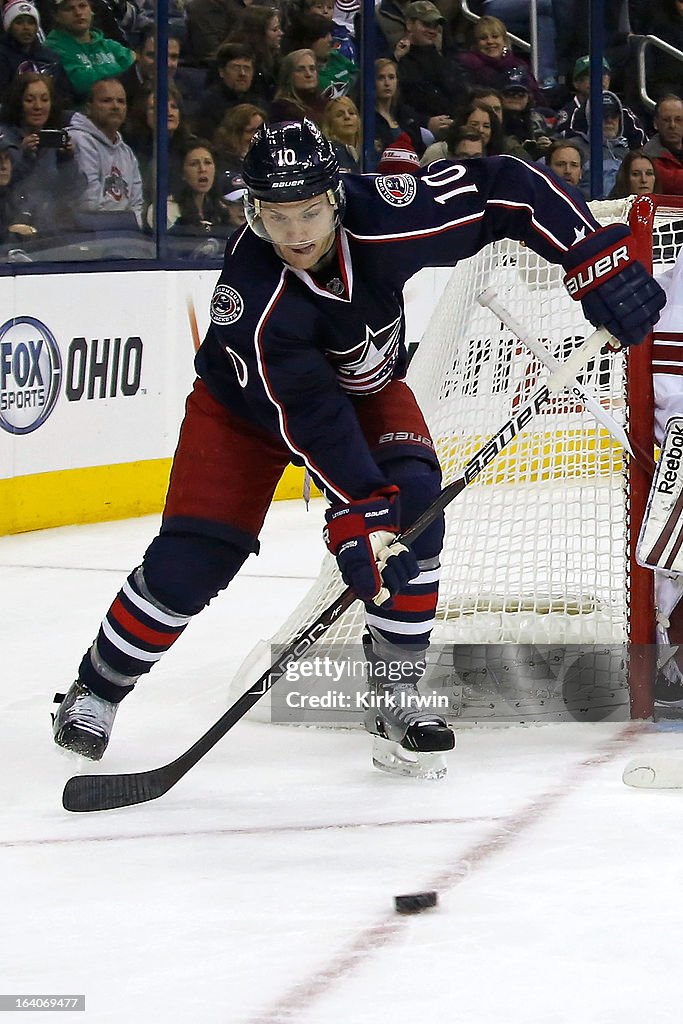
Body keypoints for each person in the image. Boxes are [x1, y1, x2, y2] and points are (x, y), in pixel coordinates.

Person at [52, 118, 665, 782]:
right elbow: (311, 420)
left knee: (416, 517)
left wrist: (592, 259)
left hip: (366, 390)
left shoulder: (384, 215)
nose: (296, 233)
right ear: (254, 211)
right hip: (244, 414)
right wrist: (362, 511)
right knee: (193, 559)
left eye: (310, 211)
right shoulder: (254, 301)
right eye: (276, 216)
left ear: (335, 196)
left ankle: (395, 696)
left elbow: (505, 187)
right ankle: (96, 688)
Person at [0, 71, 85, 237]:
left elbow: (74, 191)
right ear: (18, 103)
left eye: (44, 100)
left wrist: (66, 161)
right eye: (29, 100)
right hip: (10, 231)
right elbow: (6, 190)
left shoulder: (56, 141)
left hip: (50, 230)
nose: (38, 106)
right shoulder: (3, 141)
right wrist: (24, 159)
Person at [69, 76, 143, 226]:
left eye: (121, 101)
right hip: (87, 236)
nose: (115, 106)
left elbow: (137, 207)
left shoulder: (127, 152)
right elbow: (88, 206)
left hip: (123, 237)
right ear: (89, 106)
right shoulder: (77, 139)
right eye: (107, 100)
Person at [44, 0, 135, 102]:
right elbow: (82, 83)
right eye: (69, 9)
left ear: (91, 10)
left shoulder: (111, 45)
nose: (78, 13)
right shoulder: (52, 48)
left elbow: (135, 72)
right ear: (56, 16)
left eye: (83, 6)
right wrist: (120, 71)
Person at [555, 55, 648, 152]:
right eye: (590, 74)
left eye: (603, 74)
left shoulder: (623, 112)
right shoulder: (567, 114)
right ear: (576, 83)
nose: (598, 79)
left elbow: (643, 150)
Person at [0, 0, 72, 105]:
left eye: (31, 22)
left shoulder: (51, 57)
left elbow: (65, 93)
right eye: (19, 22)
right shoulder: (2, 56)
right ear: (9, 26)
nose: (26, 28)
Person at [194, 43, 264, 141]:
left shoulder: (259, 103)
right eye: (236, 67)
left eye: (247, 68)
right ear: (221, 72)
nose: (242, 74)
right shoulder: (209, 104)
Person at [373, 56, 424, 159]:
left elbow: (419, 150)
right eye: (380, 78)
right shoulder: (366, 117)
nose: (387, 83)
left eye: (391, 77)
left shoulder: (407, 114)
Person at [269, 48, 327, 124]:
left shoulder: (326, 104)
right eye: (300, 70)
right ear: (289, 76)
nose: (308, 74)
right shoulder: (281, 109)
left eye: (312, 69)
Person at [213, 102, 267, 176]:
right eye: (250, 131)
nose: (257, 136)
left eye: (260, 131)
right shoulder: (219, 165)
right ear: (233, 134)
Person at [643, 95, 683, 196]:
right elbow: (672, 183)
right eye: (666, 120)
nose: (672, 125)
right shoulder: (645, 157)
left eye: (678, 120)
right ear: (656, 123)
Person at [321, 94, 360, 170]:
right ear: (330, 125)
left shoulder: (369, 152)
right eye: (339, 115)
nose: (347, 117)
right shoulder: (327, 155)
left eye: (351, 113)